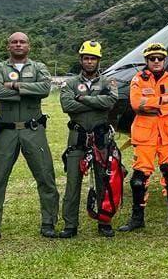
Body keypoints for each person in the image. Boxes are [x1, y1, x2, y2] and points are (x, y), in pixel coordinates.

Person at [0, 32, 60, 243]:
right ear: (8, 46)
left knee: (45, 176)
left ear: (29, 46)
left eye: (22, 41)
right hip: (5, 131)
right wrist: (27, 91)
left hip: (33, 130)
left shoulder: (39, 67)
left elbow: (44, 89)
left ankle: (49, 223)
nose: (18, 44)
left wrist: (14, 86)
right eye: (14, 42)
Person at [118, 42, 168, 232]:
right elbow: (136, 103)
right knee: (139, 178)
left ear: (165, 60)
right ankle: (137, 218)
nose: (156, 61)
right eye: (152, 58)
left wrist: (150, 104)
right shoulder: (138, 79)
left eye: (160, 58)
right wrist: (162, 100)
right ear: (147, 60)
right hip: (145, 134)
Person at [58, 41, 120, 238]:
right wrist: (96, 102)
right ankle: (70, 225)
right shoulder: (70, 83)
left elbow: (110, 102)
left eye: (93, 58)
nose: (89, 61)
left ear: (98, 60)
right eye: (86, 58)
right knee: (73, 182)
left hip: (101, 138)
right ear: (81, 60)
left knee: (104, 180)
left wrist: (82, 99)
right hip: (78, 137)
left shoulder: (108, 82)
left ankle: (104, 221)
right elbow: (67, 105)